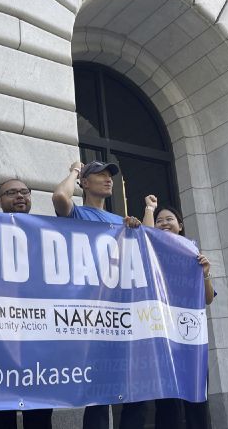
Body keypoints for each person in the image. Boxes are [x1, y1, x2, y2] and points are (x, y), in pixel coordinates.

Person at [52, 160, 144, 429]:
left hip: (121, 314)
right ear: (84, 182)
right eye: (100, 175)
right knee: (99, 395)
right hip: (93, 316)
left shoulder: (121, 222)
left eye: (110, 176)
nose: (108, 180)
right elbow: (59, 196)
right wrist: (73, 171)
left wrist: (136, 228)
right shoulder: (77, 214)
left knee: (133, 386)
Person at [0, 177, 53, 429]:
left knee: (40, 415)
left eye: (24, 191)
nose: (20, 196)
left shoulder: (47, 232)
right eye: (11, 193)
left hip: (38, 338)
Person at [142, 200, 213, 429]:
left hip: (190, 340)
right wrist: (150, 209)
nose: (164, 223)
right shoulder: (155, 250)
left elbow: (208, 298)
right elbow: (146, 235)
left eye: (169, 219)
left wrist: (205, 274)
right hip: (162, 336)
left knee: (196, 398)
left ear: (180, 225)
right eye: (160, 220)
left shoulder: (192, 253)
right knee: (167, 401)